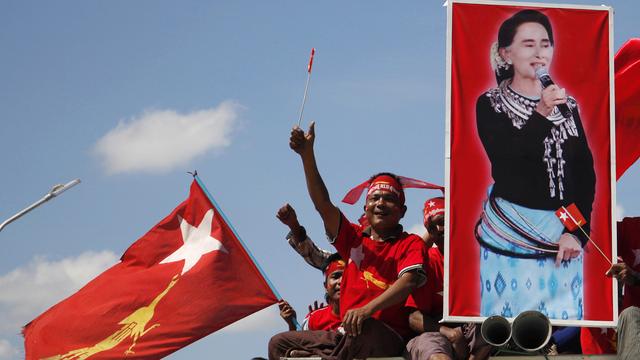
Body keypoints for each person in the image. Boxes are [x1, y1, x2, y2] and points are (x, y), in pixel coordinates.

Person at [268, 122, 427, 360]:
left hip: (386, 336)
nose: (380, 203)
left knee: (365, 327)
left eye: (389, 199)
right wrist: (306, 155)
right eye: (374, 198)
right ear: (365, 207)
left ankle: (324, 355)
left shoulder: (410, 243)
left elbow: (408, 282)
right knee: (278, 343)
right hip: (345, 336)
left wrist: (367, 310)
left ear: (402, 211)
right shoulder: (352, 239)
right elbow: (323, 204)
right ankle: (327, 353)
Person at [474, 9, 595, 319]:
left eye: (545, 43)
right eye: (528, 44)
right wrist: (540, 113)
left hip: (561, 233)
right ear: (506, 53)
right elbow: (507, 162)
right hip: (511, 228)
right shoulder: (491, 103)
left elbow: (583, 173)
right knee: (506, 323)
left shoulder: (568, 106)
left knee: (562, 325)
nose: (539, 52)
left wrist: (576, 232)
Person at [406, 197, 491, 360]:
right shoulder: (427, 262)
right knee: (433, 350)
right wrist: (450, 333)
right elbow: (413, 317)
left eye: (443, 221)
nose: (438, 229)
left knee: (488, 327)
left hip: (474, 329)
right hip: (436, 331)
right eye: (431, 227)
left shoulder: (481, 257)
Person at [277, 253, 345, 332]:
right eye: (335, 277)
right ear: (325, 286)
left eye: (347, 276)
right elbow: (298, 343)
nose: (341, 281)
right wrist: (292, 325)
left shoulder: (362, 314)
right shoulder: (313, 320)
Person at [605, 217, 640, 359]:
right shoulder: (630, 227)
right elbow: (597, 233)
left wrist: (636, 278)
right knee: (630, 314)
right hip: (636, 320)